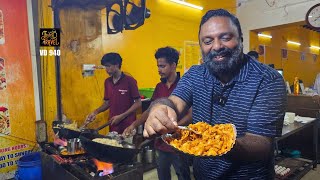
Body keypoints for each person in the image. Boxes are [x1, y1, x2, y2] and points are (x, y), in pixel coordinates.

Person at [143, 9, 287, 179]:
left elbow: (261, 144)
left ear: (240, 39)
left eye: (225, 38)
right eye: (208, 41)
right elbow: (173, 102)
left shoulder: (267, 79)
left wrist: (214, 142)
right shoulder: (195, 74)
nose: (217, 46)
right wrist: (159, 108)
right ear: (202, 46)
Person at [123, 47, 192, 180]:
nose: (159, 69)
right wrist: (134, 124)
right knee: (163, 175)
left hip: (179, 144)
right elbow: (149, 111)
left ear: (173, 65)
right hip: (161, 145)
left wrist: (172, 128)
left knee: (183, 175)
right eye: (158, 66)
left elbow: (190, 115)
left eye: (162, 66)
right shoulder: (159, 87)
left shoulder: (184, 85)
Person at [86, 52, 141, 134]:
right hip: (113, 124)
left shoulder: (130, 81)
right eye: (105, 66)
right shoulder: (107, 82)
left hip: (128, 126)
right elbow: (107, 103)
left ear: (117, 65)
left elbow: (138, 103)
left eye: (109, 66)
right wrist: (95, 112)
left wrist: (121, 116)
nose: (106, 69)